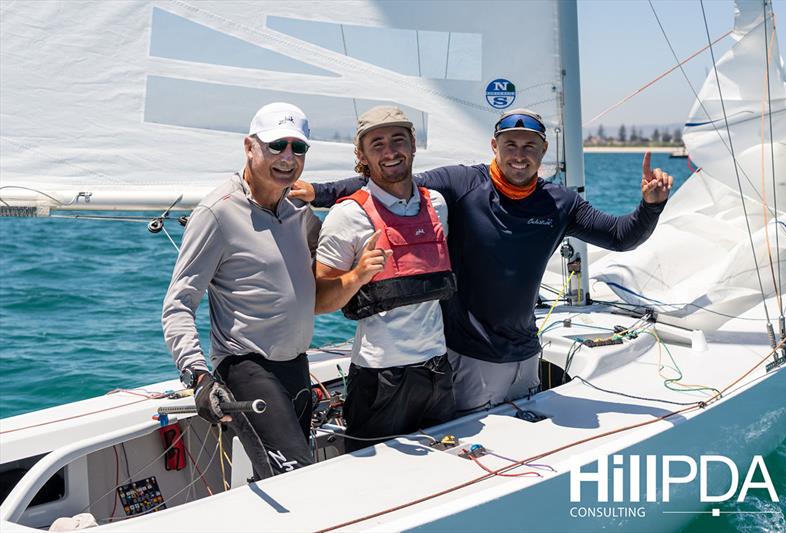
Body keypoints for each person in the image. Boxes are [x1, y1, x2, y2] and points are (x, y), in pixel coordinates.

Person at [292, 108, 673, 413]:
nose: (519, 155)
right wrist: (320, 192)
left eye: (529, 146)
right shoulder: (462, 184)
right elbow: (393, 178)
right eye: (510, 144)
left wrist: (650, 207)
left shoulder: (561, 203)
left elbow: (622, 237)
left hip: (527, 350)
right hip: (469, 354)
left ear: (543, 152)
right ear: (495, 145)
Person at [162, 102, 321, 478]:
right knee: (297, 480)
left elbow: (331, 265)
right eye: (276, 145)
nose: (288, 157)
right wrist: (199, 377)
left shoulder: (300, 211)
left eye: (298, 148)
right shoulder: (217, 212)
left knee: (292, 478)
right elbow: (179, 305)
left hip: (297, 367)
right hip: (246, 369)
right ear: (250, 146)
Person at [314, 106, 456, 451]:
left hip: (438, 370)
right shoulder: (347, 215)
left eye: (398, 140)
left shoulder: (436, 204)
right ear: (361, 154)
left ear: (413, 144)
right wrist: (359, 275)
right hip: (381, 379)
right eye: (376, 144)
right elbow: (317, 301)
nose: (390, 152)